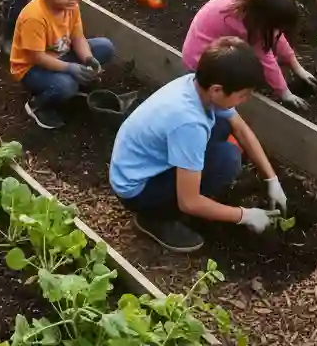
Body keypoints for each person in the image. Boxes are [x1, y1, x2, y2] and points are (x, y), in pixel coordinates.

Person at [109, 37, 289, 253]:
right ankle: (155, 219)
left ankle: (179, 191)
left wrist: (271, 178)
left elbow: (240, 128)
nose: (245, 100)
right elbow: (190, 202)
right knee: (227, 160)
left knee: (224, 125)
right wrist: (245, 215)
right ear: (217, 90)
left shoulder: (195, 85)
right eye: (242, 95)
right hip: (138, 189)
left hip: (138, 164)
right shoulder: (189, 122)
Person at [9, 0, 115, 130]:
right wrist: (70, 68)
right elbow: (37, 58)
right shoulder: (34, 17)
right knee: (67, 85)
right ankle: (38, 105)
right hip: (32, 69)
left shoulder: (70, 6)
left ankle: (75, 79)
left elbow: (78, 37)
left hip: (61, 55)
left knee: (105, 47)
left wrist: (88, 59)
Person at [182, 0, 317, 112]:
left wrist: (297, 67)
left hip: (214, 52)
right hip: (200, 65)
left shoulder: (250, 5)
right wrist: (285, 93)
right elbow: (266, 58)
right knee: (248, 72)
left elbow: (275, 36)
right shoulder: (240, 23)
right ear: (265, 19)